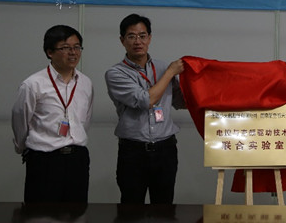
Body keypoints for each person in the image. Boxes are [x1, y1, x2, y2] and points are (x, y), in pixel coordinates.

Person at [105, 14, 185, 204]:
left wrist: (204, 91)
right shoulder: (115, 73)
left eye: (142, 36)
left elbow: (180, 102)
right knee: (131, 209)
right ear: (122, 40)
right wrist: (170, 73)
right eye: (131, 36)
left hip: (165, 149)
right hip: (133, 151)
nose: (138, 41)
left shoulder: (163, 67)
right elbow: (145, 100)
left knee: (164, 207)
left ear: (149, 38)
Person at [11, 25, 94, 203]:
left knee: (77, 212)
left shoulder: (85, 83)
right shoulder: (33, 84)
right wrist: (23, 147)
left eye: (77, 47)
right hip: (44, 159)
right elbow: (20, 120)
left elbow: (85, 120)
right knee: (40, 215)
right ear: (50, 52)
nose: (73, 52)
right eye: (65, 48)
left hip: (77, 158)